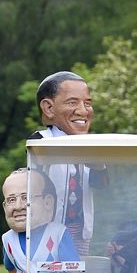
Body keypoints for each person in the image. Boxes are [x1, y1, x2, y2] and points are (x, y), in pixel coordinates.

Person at [28, 70, 108, 255]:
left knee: (78, 270)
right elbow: (39, 162)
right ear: (48, 108)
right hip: (47, 228)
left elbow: (102, 186)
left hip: (80, 230)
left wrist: (99, 165)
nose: (82, 110)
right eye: (72, 102)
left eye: (87, 103)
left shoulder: (93, 145)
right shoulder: (42, 140)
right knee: (50, 271)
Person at [0, 167, 80, 273]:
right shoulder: (8, 240)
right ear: (5, 206)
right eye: (11, 200)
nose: (19, 206)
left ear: (48, 202)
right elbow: (10, 267)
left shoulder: (57, 233)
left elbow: (74, 268)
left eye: (26, 198)